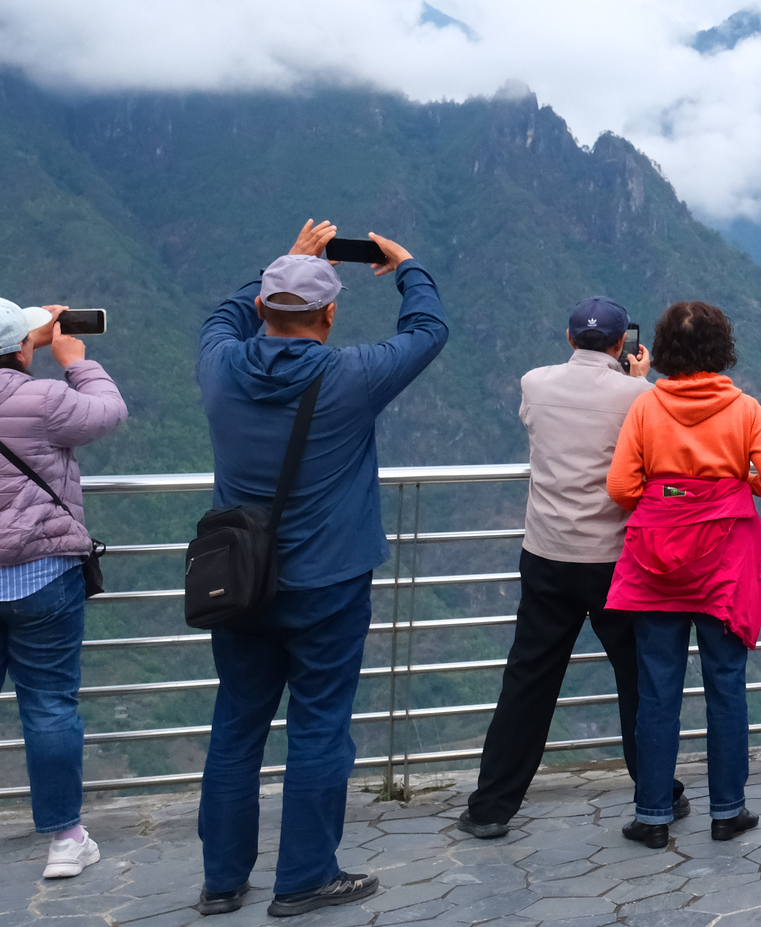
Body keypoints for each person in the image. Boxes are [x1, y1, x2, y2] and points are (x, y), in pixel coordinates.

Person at [195, 221, 448, 917]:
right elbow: (427, 330)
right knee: (318, 725)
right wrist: (407, 267)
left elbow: (223, 314)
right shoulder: (351, 375)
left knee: (237, 722)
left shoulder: (219, 364)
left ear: (262, 310)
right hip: (329, 583)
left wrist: (283, 262)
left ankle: (222, 879)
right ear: (330, 314)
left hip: (237, 579)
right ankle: (305, 875)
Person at [457, 298, 657, 839]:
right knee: (637, 677)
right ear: (622, 345)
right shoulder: (639, 395)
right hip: (614, 559)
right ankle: (657, 792)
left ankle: (492, 806)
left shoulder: (535, 383)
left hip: (546, 552)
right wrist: (636, 378)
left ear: (569, 338)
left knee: (529, 677)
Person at [605, 301, 761, 847]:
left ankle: (652, 816)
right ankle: (727, 811)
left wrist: (669, 497)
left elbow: (621, 488)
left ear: (663, 350)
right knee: (726, 684)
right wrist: (734, 489)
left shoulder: (646, 408)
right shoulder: (744, 409)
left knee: (657, 689)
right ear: (721, 348)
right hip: (724, 562)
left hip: (655, 560)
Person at [0, 299, 127, 880]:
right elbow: (108, 413)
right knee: (49, 706)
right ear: (25, 346)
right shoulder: (44, 399)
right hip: (44, 575)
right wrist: (76, 361)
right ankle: (64, 840)